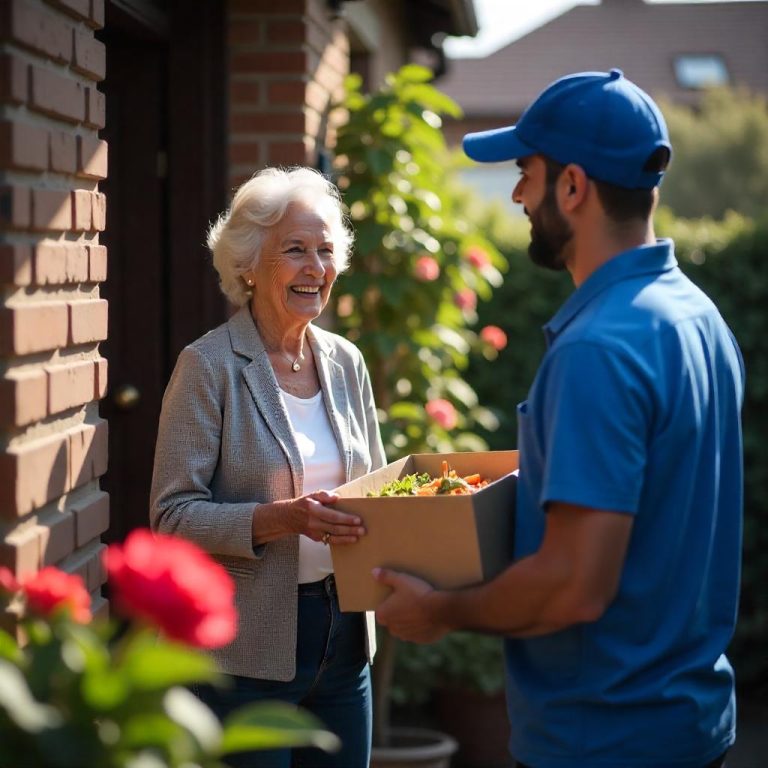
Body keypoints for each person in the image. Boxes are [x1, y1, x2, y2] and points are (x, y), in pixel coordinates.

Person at [374, 69, 744, 768]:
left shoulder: (597, 349)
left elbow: (575, 587)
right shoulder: (697, 317)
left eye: (526, 172)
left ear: (572, 186)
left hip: (601, 741)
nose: (516, 194)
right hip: (691, 728)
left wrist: (440, 609)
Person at [150, 166, 386, 767]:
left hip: (345, 641)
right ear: (250, 264)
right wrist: (282, 519)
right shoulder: (208, 366)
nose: (316, 268)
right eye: (296, 250)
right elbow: (172, 519)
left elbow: (381, 489)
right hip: (245, 656)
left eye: (326, 251)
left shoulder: (345, 362)